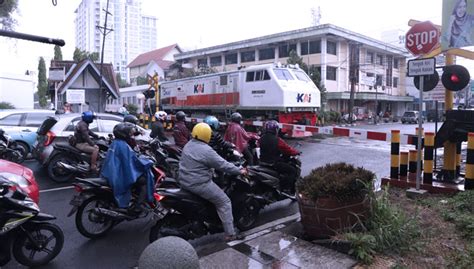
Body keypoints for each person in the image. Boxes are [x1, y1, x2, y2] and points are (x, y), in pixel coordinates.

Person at [178, 123, 247, 241]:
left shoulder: (189, 144)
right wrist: (239, 171)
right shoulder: (206, 150)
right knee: (224, 202)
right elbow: (223, 165)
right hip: (199, 183)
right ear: (207, 135)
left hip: (184, 180)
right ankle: (230, 234)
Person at [101, 123, 154, 214]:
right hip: (118, 175)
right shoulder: (124, 146)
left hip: (109, 172)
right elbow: (133, 163)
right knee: (145, 180)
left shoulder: (115, 143)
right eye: (129, 133)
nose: (131, 134)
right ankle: (138, 206)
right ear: (124, 134)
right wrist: (146, 162)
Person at [259, 120, 300, 193]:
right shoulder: (277, 140)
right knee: (292, 170)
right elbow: (288, 149)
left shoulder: (261, 138)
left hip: (262, 162)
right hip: (274, 163)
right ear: (276, 129)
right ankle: (286, 188)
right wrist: (296, 152)